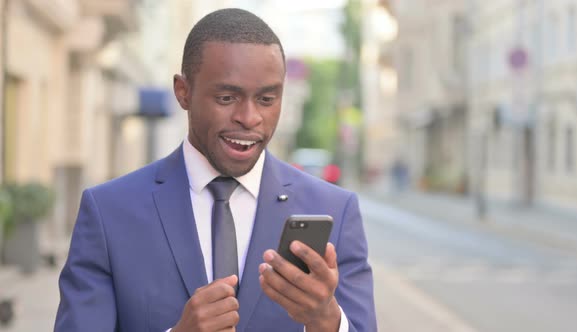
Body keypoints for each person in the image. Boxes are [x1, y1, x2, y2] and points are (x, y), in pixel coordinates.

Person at [55, 8, 376, 332]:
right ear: (184, 92)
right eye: (227, 97)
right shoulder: (109, 212)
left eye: (266, 99)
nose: (249, 117)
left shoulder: (335, 211)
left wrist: (326, 319)